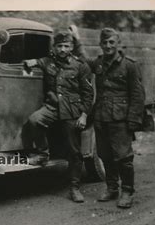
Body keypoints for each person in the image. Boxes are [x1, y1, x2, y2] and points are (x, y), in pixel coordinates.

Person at [70, 26, 145, 208]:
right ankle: (112, 188)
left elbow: (137, 95)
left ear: (118, 43)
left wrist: (133, 121)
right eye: (104, 42)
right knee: (105, 155)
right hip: (101, 117)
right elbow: (83, 60)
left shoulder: (130, 65)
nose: (108, 45)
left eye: (112, 42)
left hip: (120, 119)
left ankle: (127, 191)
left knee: (123, 157)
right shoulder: (99, 63)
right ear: (100, 45)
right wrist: (77, 39)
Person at [23, 30, 93, 203]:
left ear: (71, 48)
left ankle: (74, 187)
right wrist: (29, 63)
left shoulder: (80, 66)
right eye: (59, 46)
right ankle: (42, 153)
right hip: (53, 107)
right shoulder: (47, 62)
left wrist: (83, 115)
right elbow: (33, 63)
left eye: (66, 46)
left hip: (72, 110)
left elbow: (88, 93)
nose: (62, 49)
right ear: (54, 47)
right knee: (34, 120)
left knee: (74, 151)